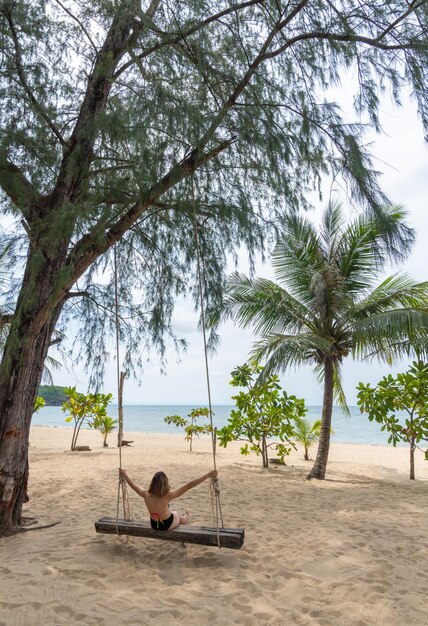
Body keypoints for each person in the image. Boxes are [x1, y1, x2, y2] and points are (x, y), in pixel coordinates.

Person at [119, 468, 218, 530]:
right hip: (166, 525)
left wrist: (124, 474)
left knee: (171, 512)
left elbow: (132, 485)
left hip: (154, 525)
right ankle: (184, 518)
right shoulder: (168, 495)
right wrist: (208, 475)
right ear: (165, 483)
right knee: (176, 514)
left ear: (152, 483)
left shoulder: (145, 494)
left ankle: (182, 517)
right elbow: (189, 485)